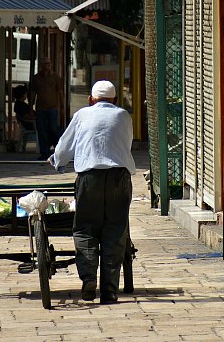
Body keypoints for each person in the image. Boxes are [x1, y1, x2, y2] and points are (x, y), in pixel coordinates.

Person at [50, 80, 136, 305]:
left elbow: (64, 148)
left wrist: (58, 163)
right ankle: (109, 291)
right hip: (119, 177)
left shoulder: (82, 115)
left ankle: (88, 278)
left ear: (91, 100)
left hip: (90, 178)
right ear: (115, 100)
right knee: (115, 230)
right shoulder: (124, 116)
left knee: (86, 227)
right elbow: (125, 145)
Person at [29, 58, 64, 160]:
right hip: (40, 108)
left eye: (49, 63)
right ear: (41, 65)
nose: (47, 65)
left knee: (54, 129)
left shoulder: (55, 77)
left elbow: (60, 92)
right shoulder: (36, 78)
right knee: (42, 130)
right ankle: (44, 152)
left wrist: (62, 106)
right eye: (45, 63)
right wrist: (30, 107)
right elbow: (33, 93)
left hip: (53, 108)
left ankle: (59, 151)